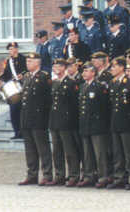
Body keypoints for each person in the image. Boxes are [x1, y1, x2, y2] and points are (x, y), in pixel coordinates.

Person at [18, 53, 53, 186]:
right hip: (27, 117)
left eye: (31, 61)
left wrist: (45, 117)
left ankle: (47, 175)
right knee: (30, 149)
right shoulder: (27, 76)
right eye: (27, 61)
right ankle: (32, 174)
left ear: (38, 62)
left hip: (39, 118)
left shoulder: (44, 77)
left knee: (42, 148)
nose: (28, 63)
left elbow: (48, 99)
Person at [108, 56, 130, 190]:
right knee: (118, 153)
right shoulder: (113, 83)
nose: (112, 69)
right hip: (115, 122)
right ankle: (119, 177)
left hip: (127, 123)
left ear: (122, 67)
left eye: (114, 66)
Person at [77, 63, 111, 188]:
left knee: (99, 153)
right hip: (85, 124)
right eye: (83, 71)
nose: (84, 73)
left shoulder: (99, 87)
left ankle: (103, 176)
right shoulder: (82, 86)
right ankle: (89, 175)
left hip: (97, 124)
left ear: (93, 73)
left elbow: (104, 107)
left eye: (87, 71)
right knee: (87, 153)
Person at [48, 58, 81, 187]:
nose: (56, 68)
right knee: (57, 151)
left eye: (59, 66)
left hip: (66, 122)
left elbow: (74, 105)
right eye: (54, 66)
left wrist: (71, 122)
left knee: (70, 150)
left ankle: (74, 175)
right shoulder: (54, 82)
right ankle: (59, 175)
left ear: (64, 68)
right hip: (55, 121)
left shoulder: (71, 83)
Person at [0, 41, 26, 139]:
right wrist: (3, 81)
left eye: (12, 49)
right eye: (9, 49)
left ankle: (23, 132)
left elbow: (27, 70)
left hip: (23, 86)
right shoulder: (8, 61)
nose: (11, 51)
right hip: (13, 88)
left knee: (22, 111)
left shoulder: (23, 59)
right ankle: (16, 132)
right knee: (13, 111)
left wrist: (23, 75)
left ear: (16, 49)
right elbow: (6, 74)